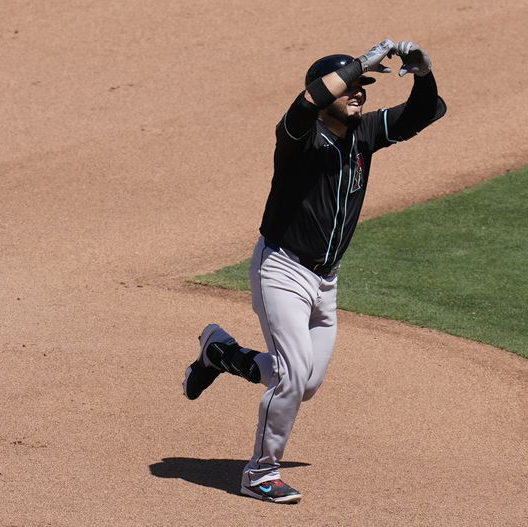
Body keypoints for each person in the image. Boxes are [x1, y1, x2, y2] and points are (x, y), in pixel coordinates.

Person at [183, 38, 447, 504]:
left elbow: (425, 113)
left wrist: (424, 73)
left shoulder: (364, 134)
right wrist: (353, 65)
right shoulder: (298, 141)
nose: (359, 93)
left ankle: (220, 353)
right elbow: (304, 106)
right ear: (328, 93)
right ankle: (259, 473)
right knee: (290, 378)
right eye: (352, 87)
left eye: (364, 86)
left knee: (305, 384)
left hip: (326, 281)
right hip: (282, 269)